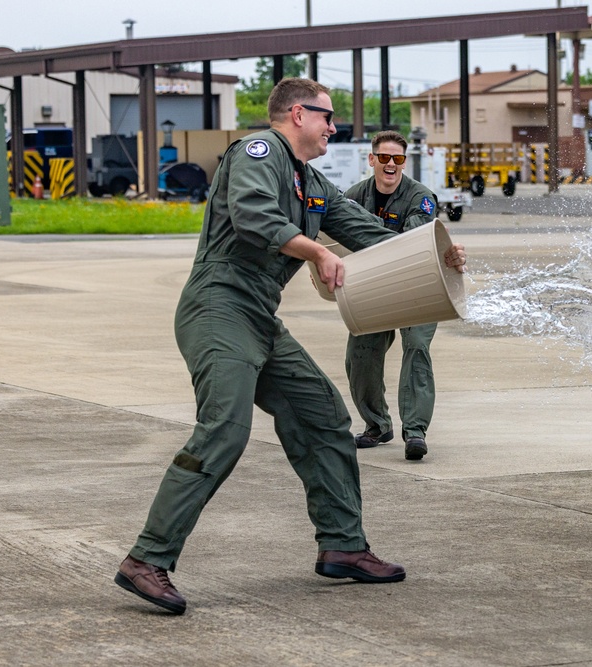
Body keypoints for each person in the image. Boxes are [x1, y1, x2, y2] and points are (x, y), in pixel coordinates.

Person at [114, 78, 467, 615]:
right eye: (329, 118)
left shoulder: (312, 183)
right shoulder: (259, 152)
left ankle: (344, 546)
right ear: (298, 114)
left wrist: (439, 252)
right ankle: (147, 559)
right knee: (225, 430)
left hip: (258, 316)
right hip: (218, 307)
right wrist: (317, 253)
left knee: (323, 417)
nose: (334, 128)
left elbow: (374, 234)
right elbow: (254, 214)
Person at [342, 131, 440, 461]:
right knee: (361, 351)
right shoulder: (353, 195)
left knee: (416, 347)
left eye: (397, 159)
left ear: (404, 162)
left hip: (418, 283)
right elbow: (332, 234)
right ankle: (377, 425)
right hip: (376, 284)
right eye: (383, 158)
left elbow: (409, 239)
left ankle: (415, 432)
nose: (390, 165)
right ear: (372, 160)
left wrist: (361, 225)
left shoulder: (422, 196)